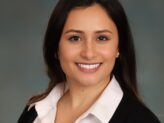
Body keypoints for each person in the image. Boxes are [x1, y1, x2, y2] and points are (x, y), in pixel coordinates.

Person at [18, 0, 161, 123]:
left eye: (102, 38)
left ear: (119, 47)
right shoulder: (34, 112)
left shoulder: (142, 120)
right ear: (56, 47)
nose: (88, 53)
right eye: (75, 38)